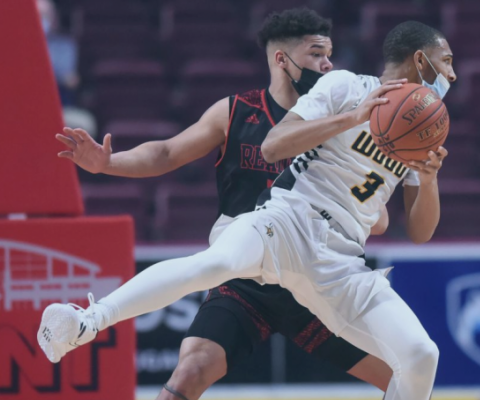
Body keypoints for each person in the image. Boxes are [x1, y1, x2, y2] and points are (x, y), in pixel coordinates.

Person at [40, 20, 455, 400]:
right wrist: (354, 117)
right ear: (420, 60)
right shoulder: (346, 86)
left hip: (340, 258)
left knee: (421, 355)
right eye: (447, 62)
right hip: (288, 220)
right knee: (212, 265)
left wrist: (430, 178)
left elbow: (420, 231)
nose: (452, 75)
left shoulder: (422, 133)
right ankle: (85, 322)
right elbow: (273, 145)